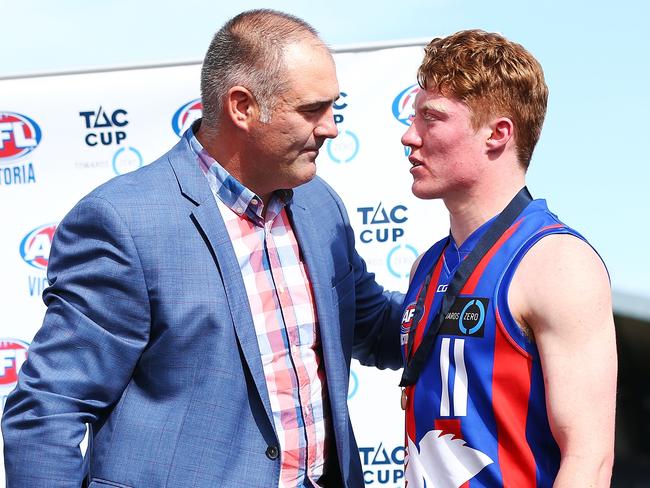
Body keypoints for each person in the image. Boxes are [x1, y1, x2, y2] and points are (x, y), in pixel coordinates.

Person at [1, 9, 403, 488]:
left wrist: (483, 292)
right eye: (312, 109)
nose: (331, 127)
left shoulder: (320, 205)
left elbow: (376, 327)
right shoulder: (125, 222)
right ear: (242, 107)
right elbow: (48, 411)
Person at [398, 30, 616, 487]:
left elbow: (590, 460)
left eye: (431, 119)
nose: (408, 136)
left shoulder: (556, 262)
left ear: (497, 134)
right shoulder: (427, 266)